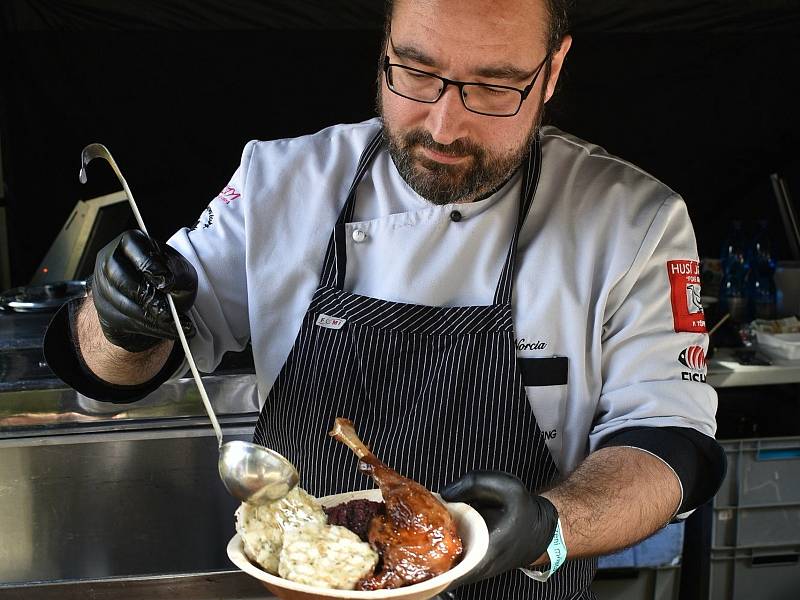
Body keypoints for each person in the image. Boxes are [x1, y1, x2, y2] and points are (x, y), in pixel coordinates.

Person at [44, 0, 726, 598]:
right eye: (415, 71)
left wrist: (551, 526)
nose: (444, 124)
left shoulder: (633, 222)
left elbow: (669, 446)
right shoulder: (283, 183)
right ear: (383, 50)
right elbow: (111, 371)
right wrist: (119, 321)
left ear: (552, 70)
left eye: (493, 86)